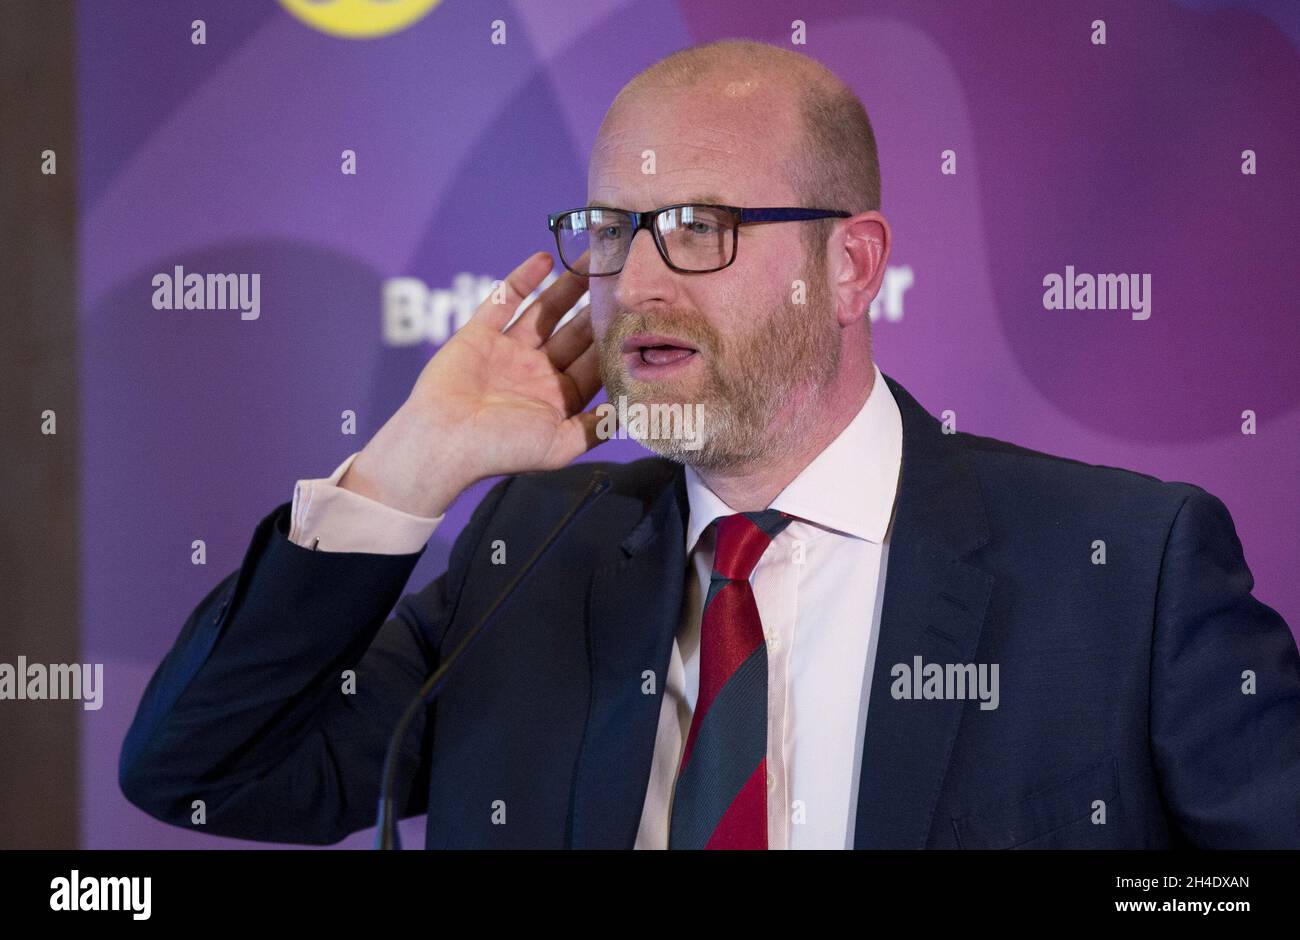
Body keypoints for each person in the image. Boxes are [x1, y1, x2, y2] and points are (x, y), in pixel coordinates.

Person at [119, 38, 1300, 849]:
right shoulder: (532, 554)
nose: (629, 282)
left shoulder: (1124, 567)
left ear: (848, 265)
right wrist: (408, 469)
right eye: (609, 231)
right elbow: (203, 770)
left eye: (694, 227)